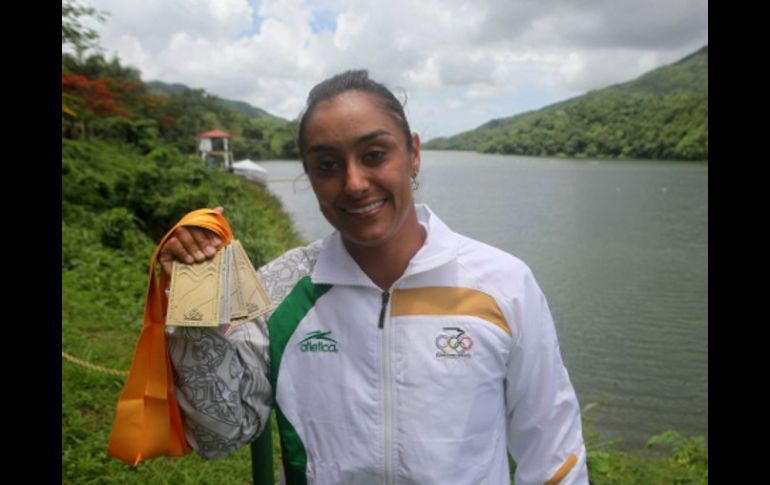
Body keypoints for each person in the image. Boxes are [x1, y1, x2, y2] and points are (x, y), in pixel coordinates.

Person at [159, 70, 589, 484]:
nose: (355, 183)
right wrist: (194, 299)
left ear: (413, 153)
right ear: (309, 176)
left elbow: (551, 450)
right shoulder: (279, 291)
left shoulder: (502, 285)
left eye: (374, 155)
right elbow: (221, 434)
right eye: (327, 165)